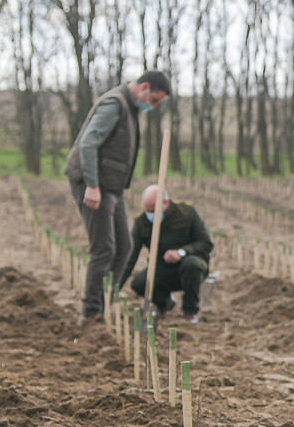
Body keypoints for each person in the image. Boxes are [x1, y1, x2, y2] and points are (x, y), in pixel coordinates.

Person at [64, 70, 171, 322]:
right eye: (154, 100)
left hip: (112, 188)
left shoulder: (130, 108)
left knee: (124, 246)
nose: (152, 106)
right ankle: (91, 313)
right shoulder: (115, 104)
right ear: (144, 87)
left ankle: (105, 301)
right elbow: (89, 143)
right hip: (93, 185)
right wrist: (91, 184)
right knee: (103, 248)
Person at [120, 185, 212, 324]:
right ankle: (164, 303)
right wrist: (115, 289)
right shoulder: (141, 224)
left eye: (154, 211)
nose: (150, 215)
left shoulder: (186, 213)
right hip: (162, 269)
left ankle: (190, 311)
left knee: (191, 265)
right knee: (139, 283)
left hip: (191, 266)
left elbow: (206, 243)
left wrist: (182, 252)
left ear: (166, 203)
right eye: (148, 211)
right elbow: (130, 258)